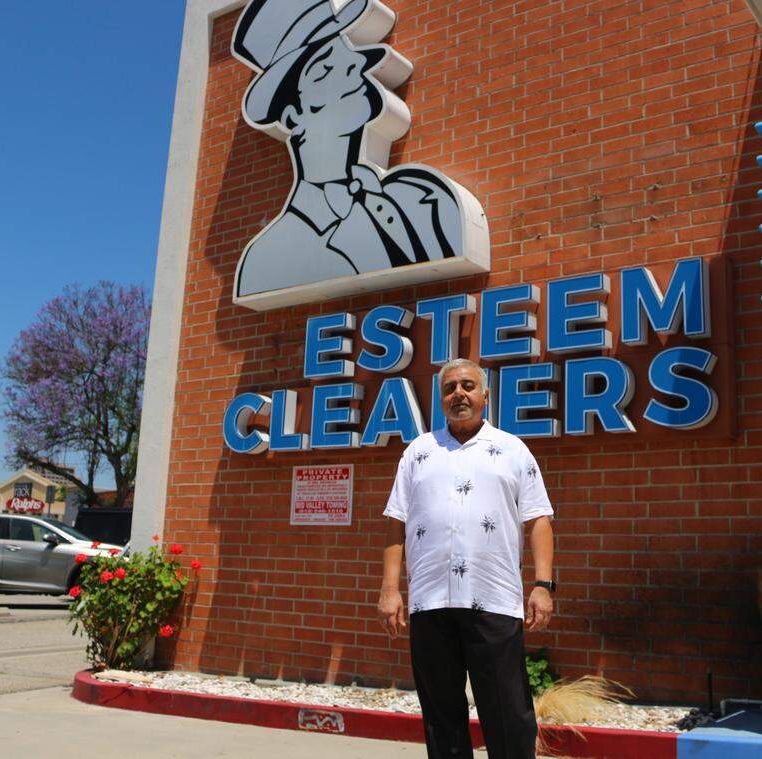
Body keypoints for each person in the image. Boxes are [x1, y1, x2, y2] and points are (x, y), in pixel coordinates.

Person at [379, 358, 556, 759]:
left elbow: (539, 519)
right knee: (441, 715)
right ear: (441, 399)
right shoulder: (419, 452)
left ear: (485, 396)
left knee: (507, 713)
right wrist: (391, 589)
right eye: (450, 388)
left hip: (493, 601)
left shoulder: (512, 450)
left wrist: (543, 585)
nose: (459, 393)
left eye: (468, 385)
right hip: (430, 603)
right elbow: (396, 522)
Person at [231, 0, 465, 298]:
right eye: (324, 67)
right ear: (292, 117)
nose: (354, 63)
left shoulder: (424, 196)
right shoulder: (268, 259)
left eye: (345, 49)